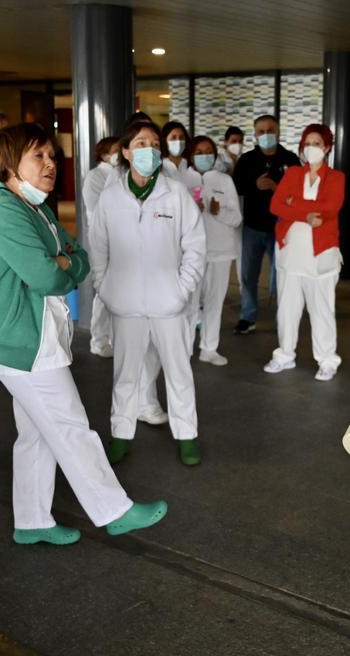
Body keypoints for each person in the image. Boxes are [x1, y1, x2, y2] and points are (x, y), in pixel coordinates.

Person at [0, 123, 167, 543]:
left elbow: (78, 258)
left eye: (52, 156)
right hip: (21, 342)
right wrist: (59, 265)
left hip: (31, 337)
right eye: (38, 156)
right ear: (8, 163)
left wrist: (63, 263)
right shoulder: (3, 209)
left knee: (37, 434)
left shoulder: (33, 206)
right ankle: (115, 509)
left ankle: (32, 522)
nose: (50, 164)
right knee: (72, 425)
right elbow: (46, 276)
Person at [89, 121, 206, 467]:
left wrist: (182, 288)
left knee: (178, 371)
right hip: (124, 303)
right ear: (125, 151)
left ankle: (187, 437)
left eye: (155, 143)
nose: (150, 149)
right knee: (125, 373)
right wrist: (105, 287)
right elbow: (98, 248)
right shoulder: (110, 197)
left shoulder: (175, 192)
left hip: (168, 303)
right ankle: (121, 435)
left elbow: (195, 244)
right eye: (141, 143)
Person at [264, 124, 345, 381]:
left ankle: (327, 359)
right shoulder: (292, 174)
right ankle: (284, 354)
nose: (312, 148)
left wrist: (293, 204)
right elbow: (276, 204)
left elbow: (330, 207)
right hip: (290, 252)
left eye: (317, 143)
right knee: (287, 308)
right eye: (308, 143)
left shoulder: (336, 178)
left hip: (321, 255)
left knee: (321, 308)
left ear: (327, 148)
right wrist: (305, 213)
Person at [232, 114, 300, 334]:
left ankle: (284, 317)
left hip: (281, 228)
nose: (266, 135)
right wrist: (255, 184)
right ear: (255, 134)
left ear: (278, 131)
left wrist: (273, 186)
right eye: (261, 131)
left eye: (270, 130)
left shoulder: (290, 159)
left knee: (282, 275)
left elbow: (297, 193)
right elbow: (237, 188)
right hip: (253, 226)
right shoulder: (247, 160)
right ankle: (247, 316)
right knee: (249, 275)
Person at [182, 135, 242, 366]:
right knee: (189, 303)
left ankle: (209, 348)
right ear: (191, 154)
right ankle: (184, 350)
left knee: (215, 302)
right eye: (199, 151)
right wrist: (191, 209)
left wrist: (219, 212)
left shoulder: (224, 181)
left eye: (209, 151)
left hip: (221, 251)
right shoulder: (182, 180)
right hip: (191, 253)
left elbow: (237, 218)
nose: (204, 156)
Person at [81, 135, 122, 358]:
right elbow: (98, 212)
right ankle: (98, 340)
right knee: (104, 292)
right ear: (104, 154)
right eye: (115, 150)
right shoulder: (95, 177)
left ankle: (115, 338)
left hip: (124, 242)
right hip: (104, 242)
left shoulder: (123, 174)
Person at [160, 121, 192, 185]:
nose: (178, 141)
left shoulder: (190, 163)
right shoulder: (160, 165)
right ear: (164, 140)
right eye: (173, 137)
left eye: (181, 137)